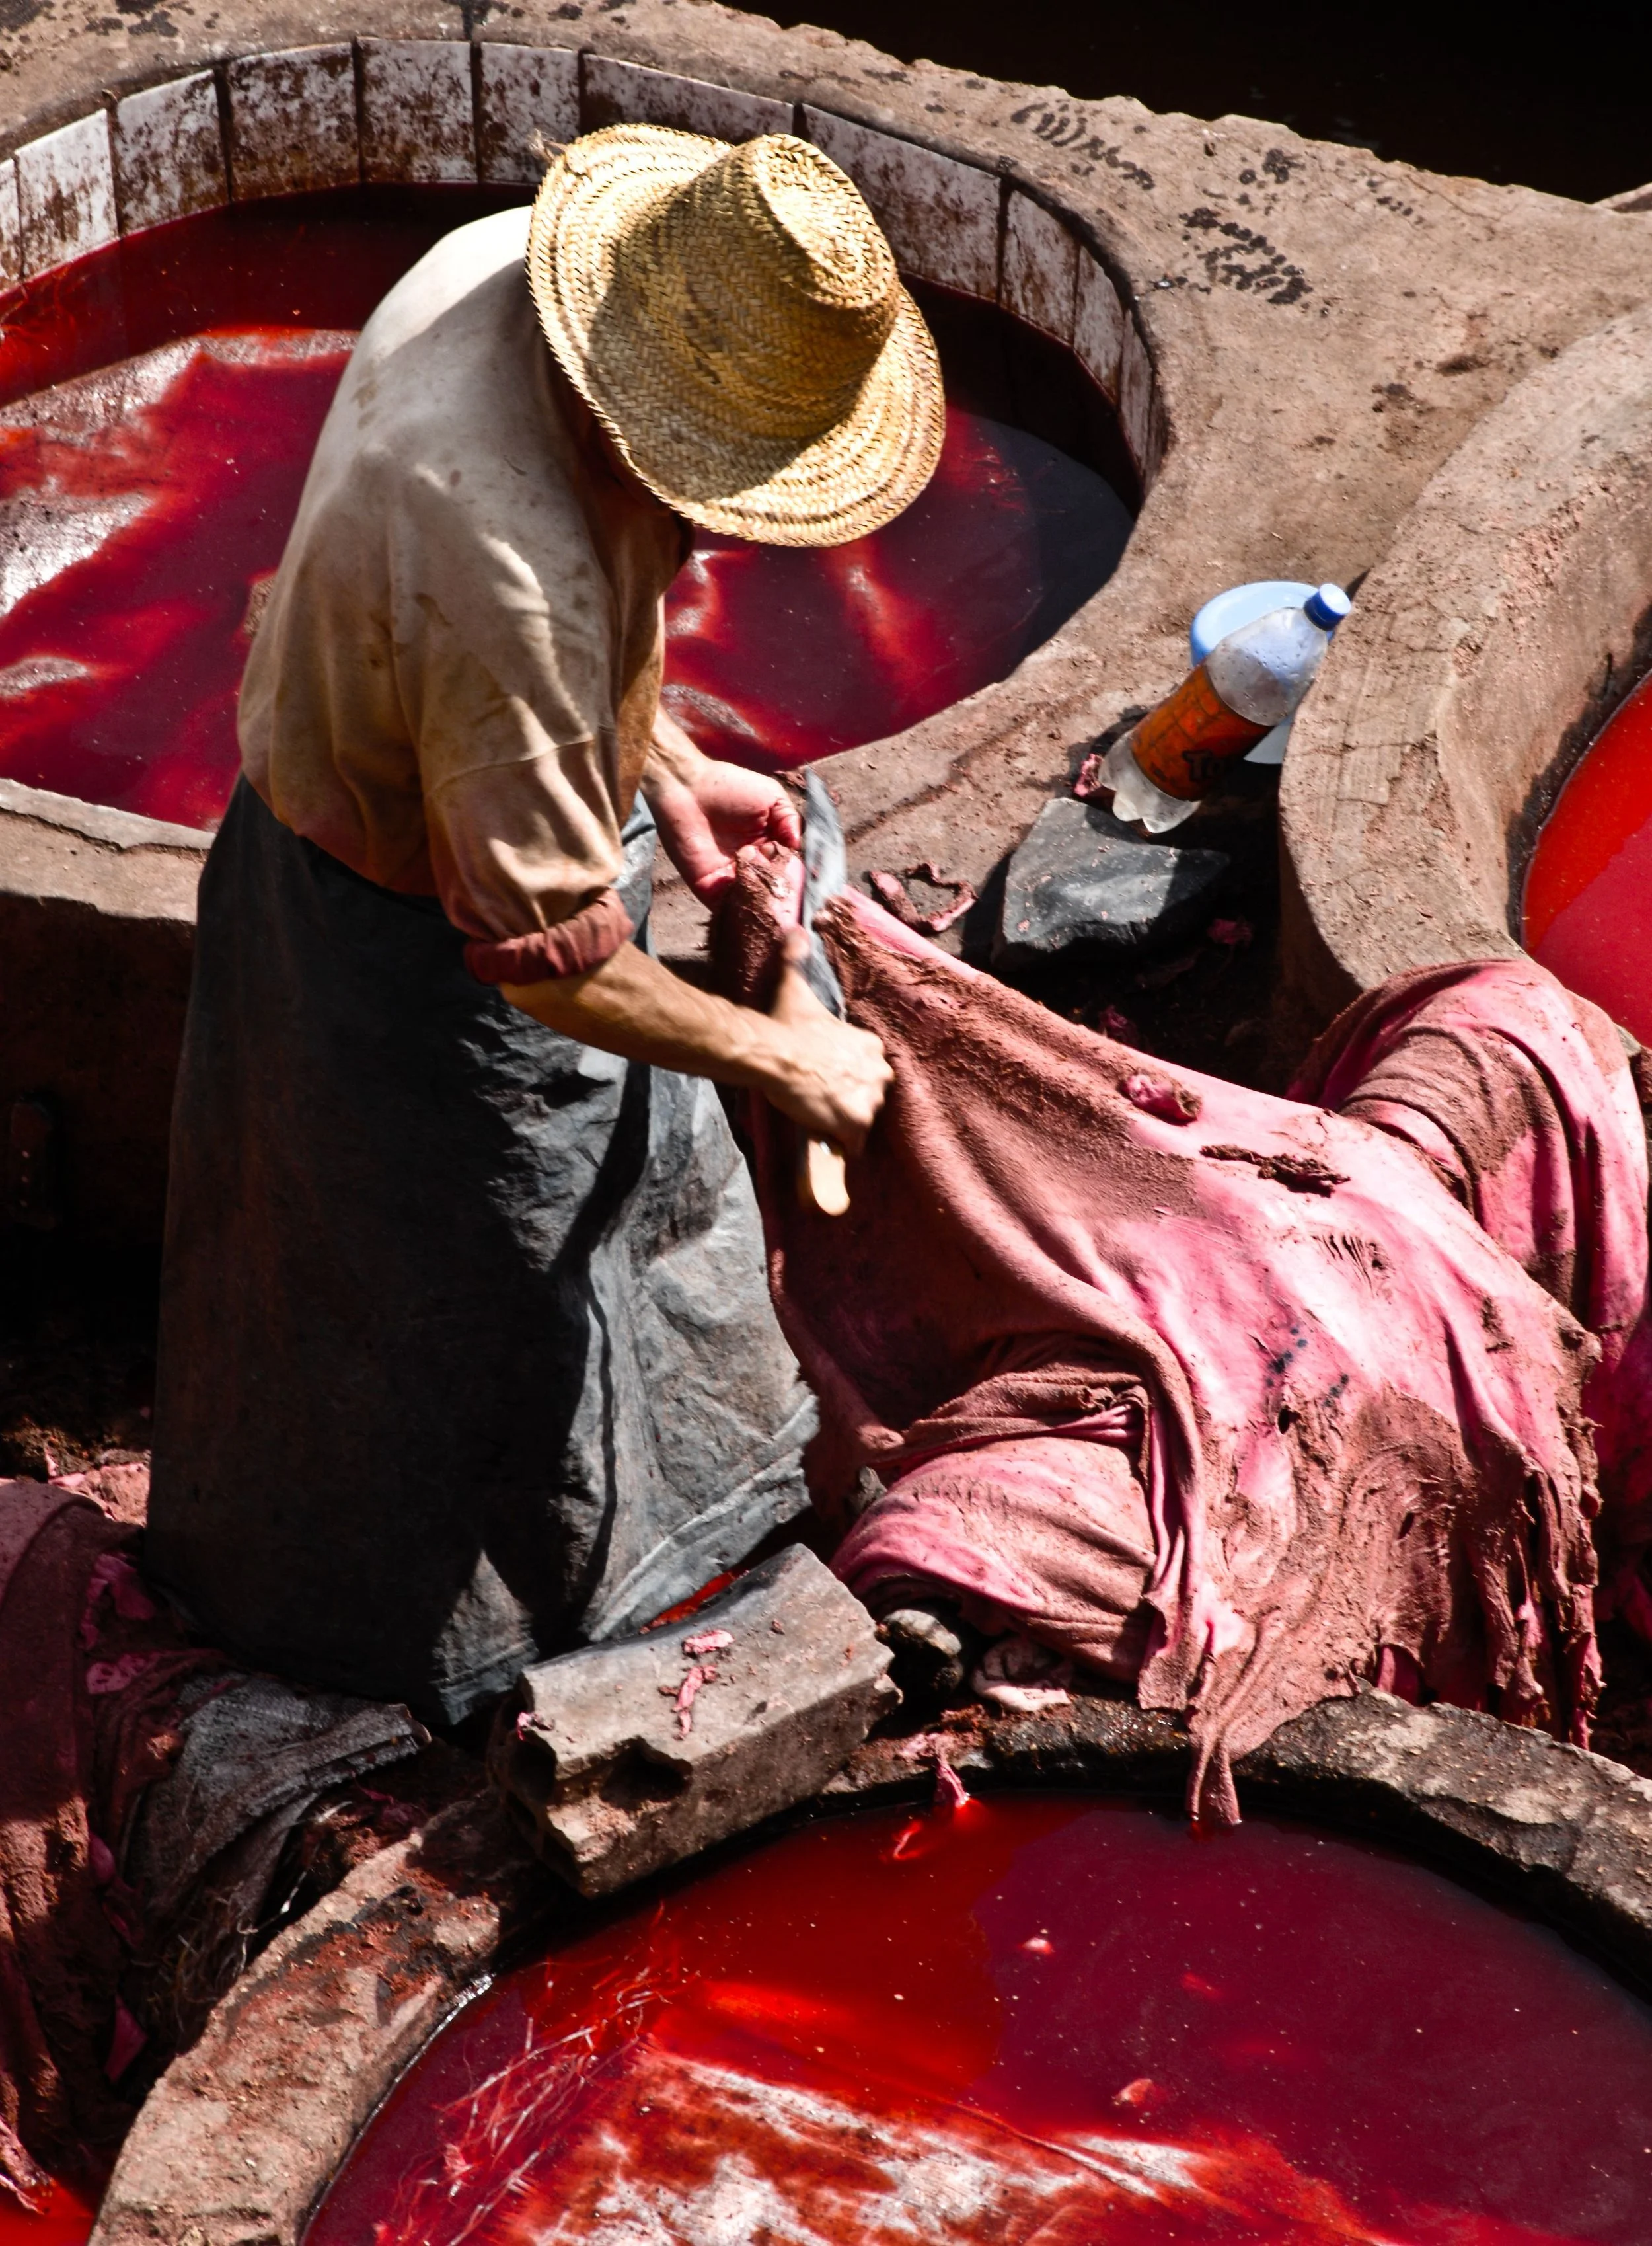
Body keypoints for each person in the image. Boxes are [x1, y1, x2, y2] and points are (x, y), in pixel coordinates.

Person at [147, 125, 939, 1724]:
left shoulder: (499, 268)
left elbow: (550, 621)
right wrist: (786, 1061)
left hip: (359, 800)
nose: (716, 533)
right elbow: (548, 964)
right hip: (394, 962)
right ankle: (447, 1655)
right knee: (449, 1335)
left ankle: (658, 1512)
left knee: (547, 1245)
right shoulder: (508, 576)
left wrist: (672, 765)